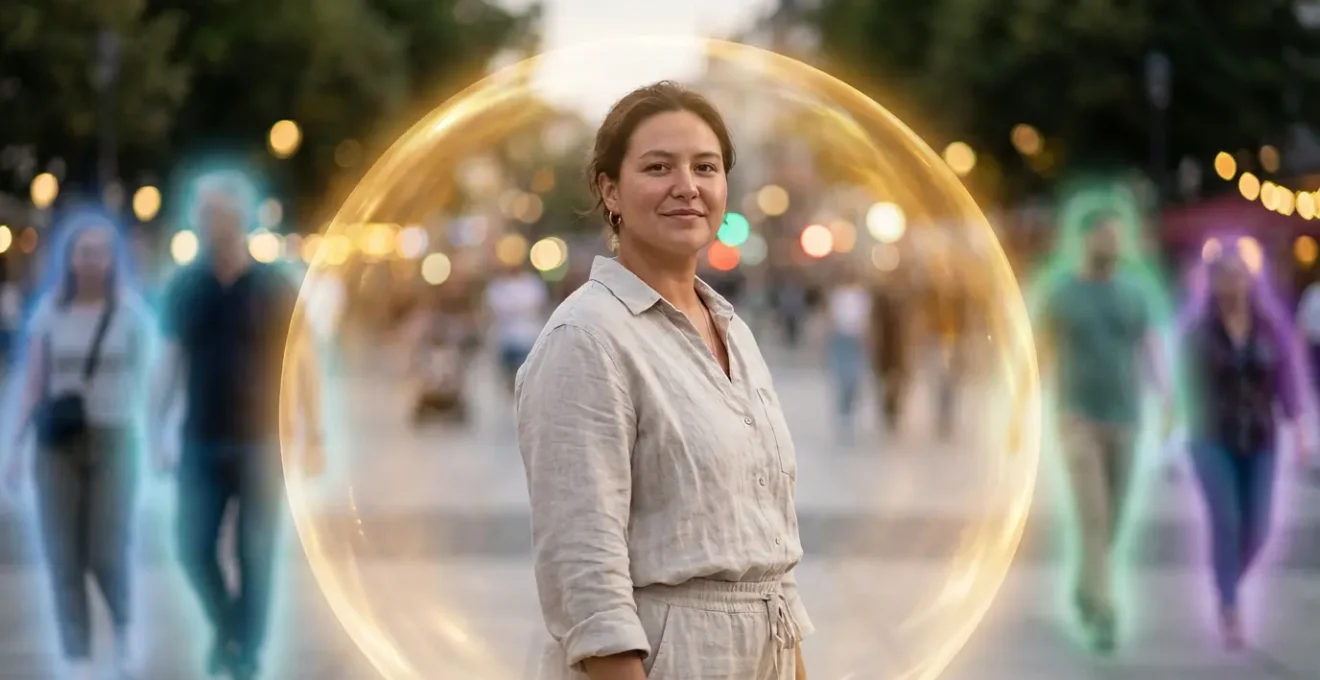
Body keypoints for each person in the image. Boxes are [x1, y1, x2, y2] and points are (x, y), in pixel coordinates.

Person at [516, 81, 812, 680]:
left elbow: (768, 553)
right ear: (610, 189)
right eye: (658, 167)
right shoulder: (587, 338)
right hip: (673, 658)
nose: (688, 186)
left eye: (706, 166)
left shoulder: (733, 328)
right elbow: (584, 573)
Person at [149, 171, 324, 680]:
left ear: (242, 219)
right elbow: (168, 362)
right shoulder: (185, 286)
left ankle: (245, 653)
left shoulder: (275, 285)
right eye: (205, 215)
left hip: (262, 442)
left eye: (221, 214)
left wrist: (315, 433)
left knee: (256, 553)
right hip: (200, 440)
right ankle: (229, 628)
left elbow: (303, 362)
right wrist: (156, 429)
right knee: (191, 546)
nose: (212, 224)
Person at [2, 215, 153, 680]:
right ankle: (77, 655)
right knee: (62, 553)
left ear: (112, 261)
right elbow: (32, 383)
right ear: (69, 260)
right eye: (82, 251)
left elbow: (148, 380)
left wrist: (156, 436)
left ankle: (125, 629)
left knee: (107, 549)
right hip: (57, 446)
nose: (91, 260)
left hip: (115, 441)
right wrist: (15, 446)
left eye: (100, 251)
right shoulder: (49, 313)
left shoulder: (132, 315)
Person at [1035, 208, 1174, 654]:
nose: (1113, 244)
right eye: (1105, 236)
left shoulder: (1134, 293)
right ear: (1086, 239)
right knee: (1093, 516)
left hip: (1125, 420)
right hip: (1077, 421)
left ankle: (1086, 584)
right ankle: (1104, 609)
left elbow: (1150, 344)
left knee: (1111, 519)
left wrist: (1168, 395)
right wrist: (1023, 412)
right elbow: (1040, 352)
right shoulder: (1063, 293)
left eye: (1117, 236)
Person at [1181, 248, 1309, 649]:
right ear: (1213, 282)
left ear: (1250, 281)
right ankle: (1231, 610)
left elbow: (1286, 380)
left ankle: (1227, 580)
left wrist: (1299, 426)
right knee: (1227, 521)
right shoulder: (1199, 332)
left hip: (1260, 438)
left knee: (1259, 526)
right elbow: (1185, 385)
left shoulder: (1269, 327)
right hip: (1212, 438)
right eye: (1224, 276)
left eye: (1239, 276)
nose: (1232, 284)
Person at [485, 262, 548, 392]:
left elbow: (538, 307)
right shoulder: (498, 286)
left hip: (529, 338)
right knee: (510, 382)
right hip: (506, 340)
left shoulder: (532, 283)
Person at [825, 267, 871, 441]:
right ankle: (843, 413)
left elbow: (866, 319)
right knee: (841, 378)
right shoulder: (837, 295)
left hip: (856, 340)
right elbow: (831, 318)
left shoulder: (861, 295)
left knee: (854, 379)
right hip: (841, 339)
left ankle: (851, 411)